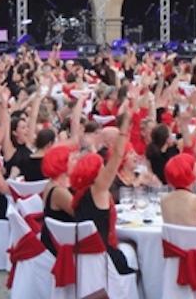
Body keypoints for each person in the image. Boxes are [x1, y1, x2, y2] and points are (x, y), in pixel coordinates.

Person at [70, 114, 135, 275]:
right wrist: (125, 123)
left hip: (84, 256)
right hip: (105, 257)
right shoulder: (98, 190)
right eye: (101, 166)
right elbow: (118, 155)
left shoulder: (80, 192)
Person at [40, 143, 76, 254]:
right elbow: (80, 213)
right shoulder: (59, 191)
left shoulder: (51, 184)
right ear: (62, 164)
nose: (76, 162)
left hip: (57, 236)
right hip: (61, 244)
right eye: (72, 159)